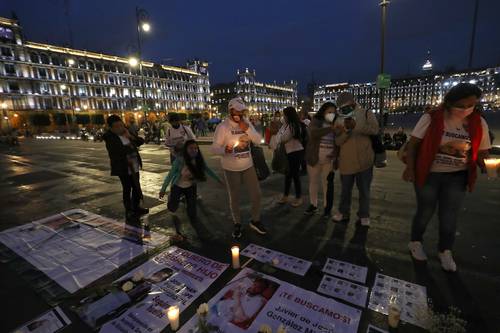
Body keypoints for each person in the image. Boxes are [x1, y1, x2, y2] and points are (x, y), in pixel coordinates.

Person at [403, 83, 491, 272]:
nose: (466, 109)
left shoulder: (478, 122)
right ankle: (416, 242)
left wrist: (488, 164)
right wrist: (410, 168)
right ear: (450, 102)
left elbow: (482, 152)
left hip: (457, 176)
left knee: (449, 216)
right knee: (425, 211)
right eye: (461, 105)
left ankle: (445, 250)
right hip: (429, 174)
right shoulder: (432, 117)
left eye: (471, 105)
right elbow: (413, 144)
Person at [211, 97, 265, 239]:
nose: (239, 115)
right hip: (230, 168)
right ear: (230, 110)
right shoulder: (223, 127)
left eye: (242, 112)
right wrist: (224, 150)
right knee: (234, 197)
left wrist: (247, 129)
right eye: (237, 111)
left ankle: (255, 220)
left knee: (256, 194)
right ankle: (237, 223)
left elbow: (258, 141)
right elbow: (214, 148)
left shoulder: (246, 124)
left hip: (248, 165)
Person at [332, 92, 379, 226]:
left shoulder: (366, 113)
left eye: (346, 106)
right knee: (345, 190)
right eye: (341, 107)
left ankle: (364, 215)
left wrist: (357, 126)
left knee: (364, 190)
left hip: (365, 160)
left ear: (353, 102)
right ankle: (343, 212)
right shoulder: (338, 119)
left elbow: (375, 130)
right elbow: (338, 142)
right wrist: (347, 131)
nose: (344, 109)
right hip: (346, 161)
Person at [159, 140, 222, 238]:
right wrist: (163, 189)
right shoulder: (179, 161)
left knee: (192, 211)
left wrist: (218, 180)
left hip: (191, 187)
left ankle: (200, 233)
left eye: (196, 148)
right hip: (178, 186)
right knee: (172, 207)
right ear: (186, 149)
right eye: (191, 148)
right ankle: (171, 198)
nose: (194, 150)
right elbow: (170, 175)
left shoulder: (198, 160)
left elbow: (207, 170)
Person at [103, 115, 148, 219]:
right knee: (127, 188)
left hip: (134, 165)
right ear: (111, 128)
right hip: (123, 167)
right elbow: (116, 152)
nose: (120, 128)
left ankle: (136, 207)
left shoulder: (126, 132)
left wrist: (130, 137)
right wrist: (129, 147)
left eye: (121, 125)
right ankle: (129, 210)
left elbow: (140, 141)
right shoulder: (109, 137)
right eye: (116, 126)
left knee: (136, 187)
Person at [304, 102, 339, 218]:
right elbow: (313, 133)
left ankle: (326, 207)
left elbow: (338, 141)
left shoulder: (336, 124)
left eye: (334, 112)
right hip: (314, 157)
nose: (331, 114)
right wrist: (330, 128)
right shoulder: (316, 121)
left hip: (328, 160)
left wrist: (335, 153)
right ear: (323, 111)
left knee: (326, 184)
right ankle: (313, 204)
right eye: (329, 112)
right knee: (313, 182)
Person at [276, 107, 306, 207]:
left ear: (288, 115)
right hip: (293, 152)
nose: (283, 117)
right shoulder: (291, 125)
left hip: (294, 153)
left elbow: (282, 139)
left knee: (294, 175)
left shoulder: (292, 126)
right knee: (289, 175)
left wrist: (281, 131)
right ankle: (286, 195)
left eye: (284, 115)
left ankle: (298, 197)